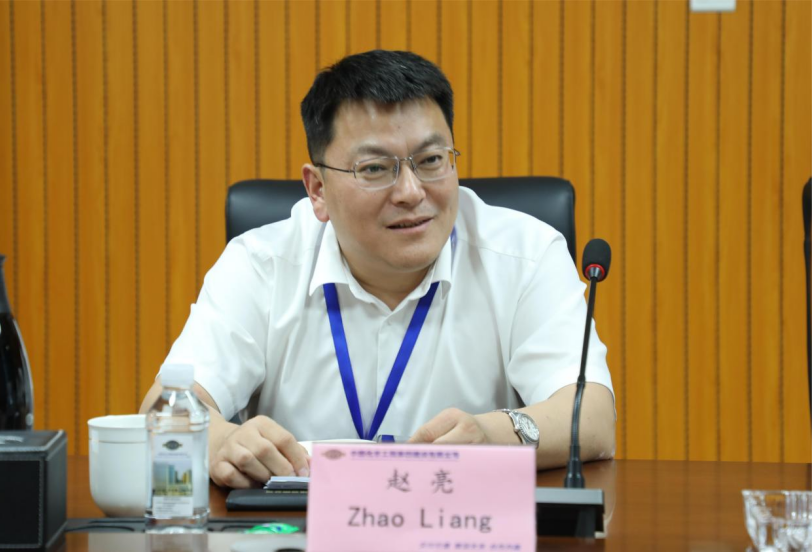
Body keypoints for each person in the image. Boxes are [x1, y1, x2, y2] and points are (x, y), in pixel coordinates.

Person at [140, 50, 615, 489]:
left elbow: (592, 417)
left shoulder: (525, 255)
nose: (411, 192)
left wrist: (494, 435)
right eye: (374, 169)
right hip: (297, 529)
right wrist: (223, 441)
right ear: (318, 190)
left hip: (460, 525)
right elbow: (164, 410)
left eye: (431, 161)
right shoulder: (261, 264)